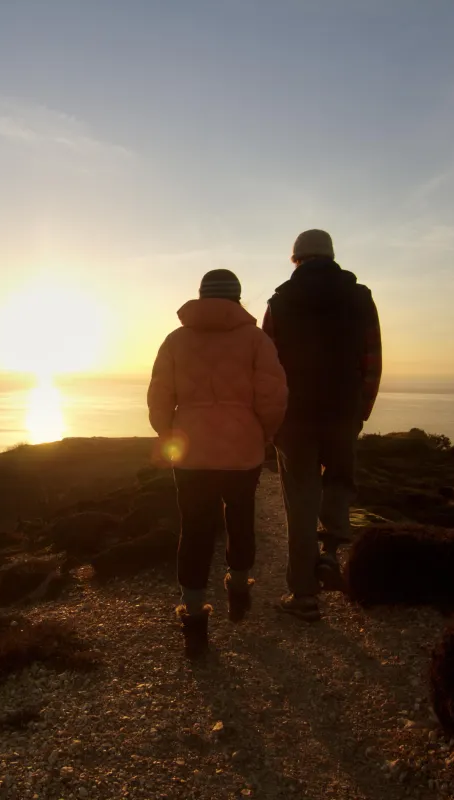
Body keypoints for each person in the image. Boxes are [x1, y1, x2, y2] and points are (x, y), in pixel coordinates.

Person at [148, 269, 288, 657]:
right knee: (241, 518)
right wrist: (265, 433)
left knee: (194, 530)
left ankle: (193, 617)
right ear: (238, 298)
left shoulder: (176, 340)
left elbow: (159, 395)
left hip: (191, 451)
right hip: (242, 448)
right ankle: (239, 587)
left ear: (201, 296)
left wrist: (167, 430)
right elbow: (273, 395)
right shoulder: (256, 339)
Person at [262, 229, 382, 622]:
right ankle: (330, 551)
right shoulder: (360, 298)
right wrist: (361, 409)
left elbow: (267, 369)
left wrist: (270, 418)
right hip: (343, 410)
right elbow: (372, 357)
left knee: (300, 502)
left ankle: (303, 596)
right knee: (340, 483)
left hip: (294, 417)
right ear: (331, 256)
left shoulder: (279, 303)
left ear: (296, 259)